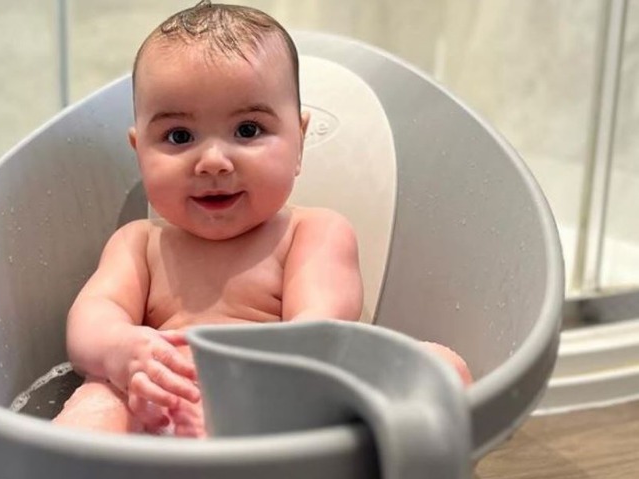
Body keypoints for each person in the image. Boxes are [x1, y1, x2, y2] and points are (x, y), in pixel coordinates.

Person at [54, 0, 471, 439]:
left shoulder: (311, 233)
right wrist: (122, 350)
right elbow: (91, 320)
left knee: (440, 367)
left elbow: (318, 331)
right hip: (164, 403)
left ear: (299, 142)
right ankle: (80, 474)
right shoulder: (138, 244)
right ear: (140, 152)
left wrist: (242, 396)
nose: (213, 162)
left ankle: (375, 463)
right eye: (179, 136)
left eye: (248, 130)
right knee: (97, 399)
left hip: (283, 399)